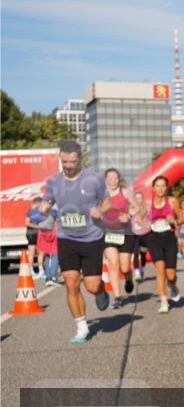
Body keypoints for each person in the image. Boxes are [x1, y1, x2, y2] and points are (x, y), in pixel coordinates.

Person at [39, 140, 111, 344]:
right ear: (60, 158)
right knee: (71, 284)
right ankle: (81, 327)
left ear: (80, 159)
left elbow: (107, 201)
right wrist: (44, 206)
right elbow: (48, 200)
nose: (69, 166)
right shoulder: (53, 181)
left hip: (91, 238)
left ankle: (101, 290)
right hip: (66, 238)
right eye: (65, 162)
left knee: (91, 285)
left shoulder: (94, 178)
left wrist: (101, 210)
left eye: (73, 162)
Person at [145, 176, 182, 314]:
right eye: (157, 186)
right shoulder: (148, 203)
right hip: (154, 238)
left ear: (166, 188)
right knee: (160, 270)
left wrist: (174, 220)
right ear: (153, 188)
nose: (160, 188)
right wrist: (145, 224)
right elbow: (139, 219)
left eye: (163, 186)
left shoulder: (172, 201)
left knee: (170, 275)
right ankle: (164, 301)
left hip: (169, 237)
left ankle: (173, 286)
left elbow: (182, 218)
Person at [101, 169, 136, 309]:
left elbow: (137, 207)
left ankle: (128, 279)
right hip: (108, 233)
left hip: (125, 233)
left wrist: (128, 215)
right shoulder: (101, 195)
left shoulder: (125, 193)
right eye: (109, 178)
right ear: (105, 180)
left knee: (124, 267)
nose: (112, 181)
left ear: (119, 179)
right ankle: (117, 297)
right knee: (113, 264)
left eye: (115, 178)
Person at [36, 205, 60, 286]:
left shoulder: (42, 212)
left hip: (43, 234)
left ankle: (48, 277)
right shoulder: (54, 211)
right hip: (53, 233)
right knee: (55, 256)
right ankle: (53, 277)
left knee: (46, 256)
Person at [131, 191, 151, 283]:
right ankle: (136, 272)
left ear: (142, 200)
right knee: (135, 253)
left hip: (145, 234)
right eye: (136, 198)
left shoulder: (145, 209)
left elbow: (151, 219)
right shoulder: (131, 209)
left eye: (140, 198)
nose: (138, 200)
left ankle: (142, 269)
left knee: (143, 253)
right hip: (134, 235)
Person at [24, 197, 44, 277]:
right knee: (33, 252)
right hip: (33, 233)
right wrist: (37, 227)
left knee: (40, 252)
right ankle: (32, 270)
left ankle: (41, 270)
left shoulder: (31, 210)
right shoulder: (32, 210)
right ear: (38, 203)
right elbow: (27, 223)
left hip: (35, 233)